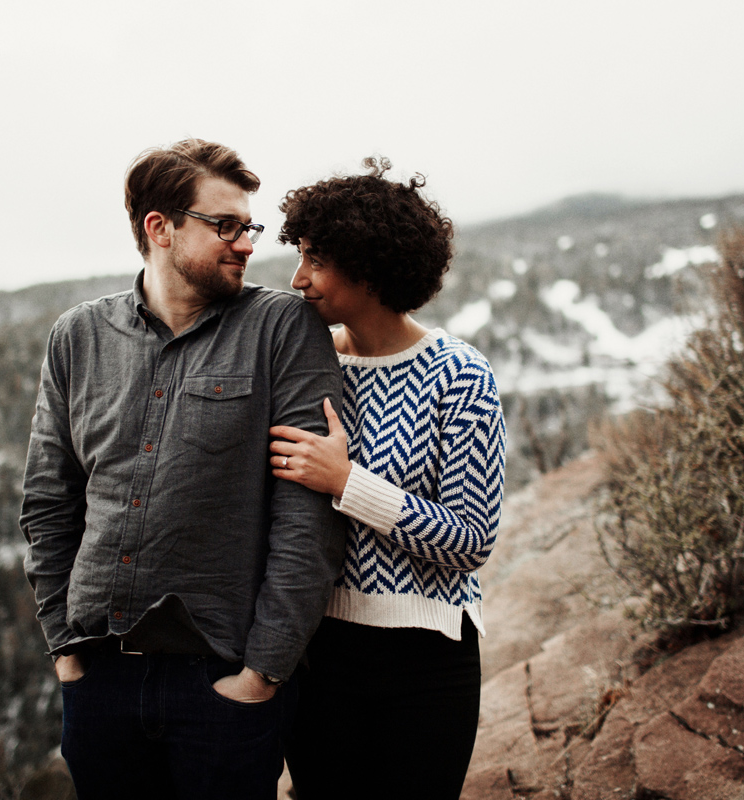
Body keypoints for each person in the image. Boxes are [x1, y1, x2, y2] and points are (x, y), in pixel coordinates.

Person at [19, 138, 346, 800]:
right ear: (159, 229)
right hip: (99, 677)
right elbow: (50, 501)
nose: (247, 243)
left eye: (248, 227)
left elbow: (306, 516)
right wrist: (64, 650)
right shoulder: (78, 337)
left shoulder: (281, 328)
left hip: (222, 687)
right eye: (225, 225)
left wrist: (262, 675)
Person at [268, 158, 506, 800]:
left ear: (367, 267)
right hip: (318, 656)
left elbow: (472, 539)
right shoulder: (308, 367)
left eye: (315, 260)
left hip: (425, 662)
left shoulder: (460, 377)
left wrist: (347, 482)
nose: (298, 279)